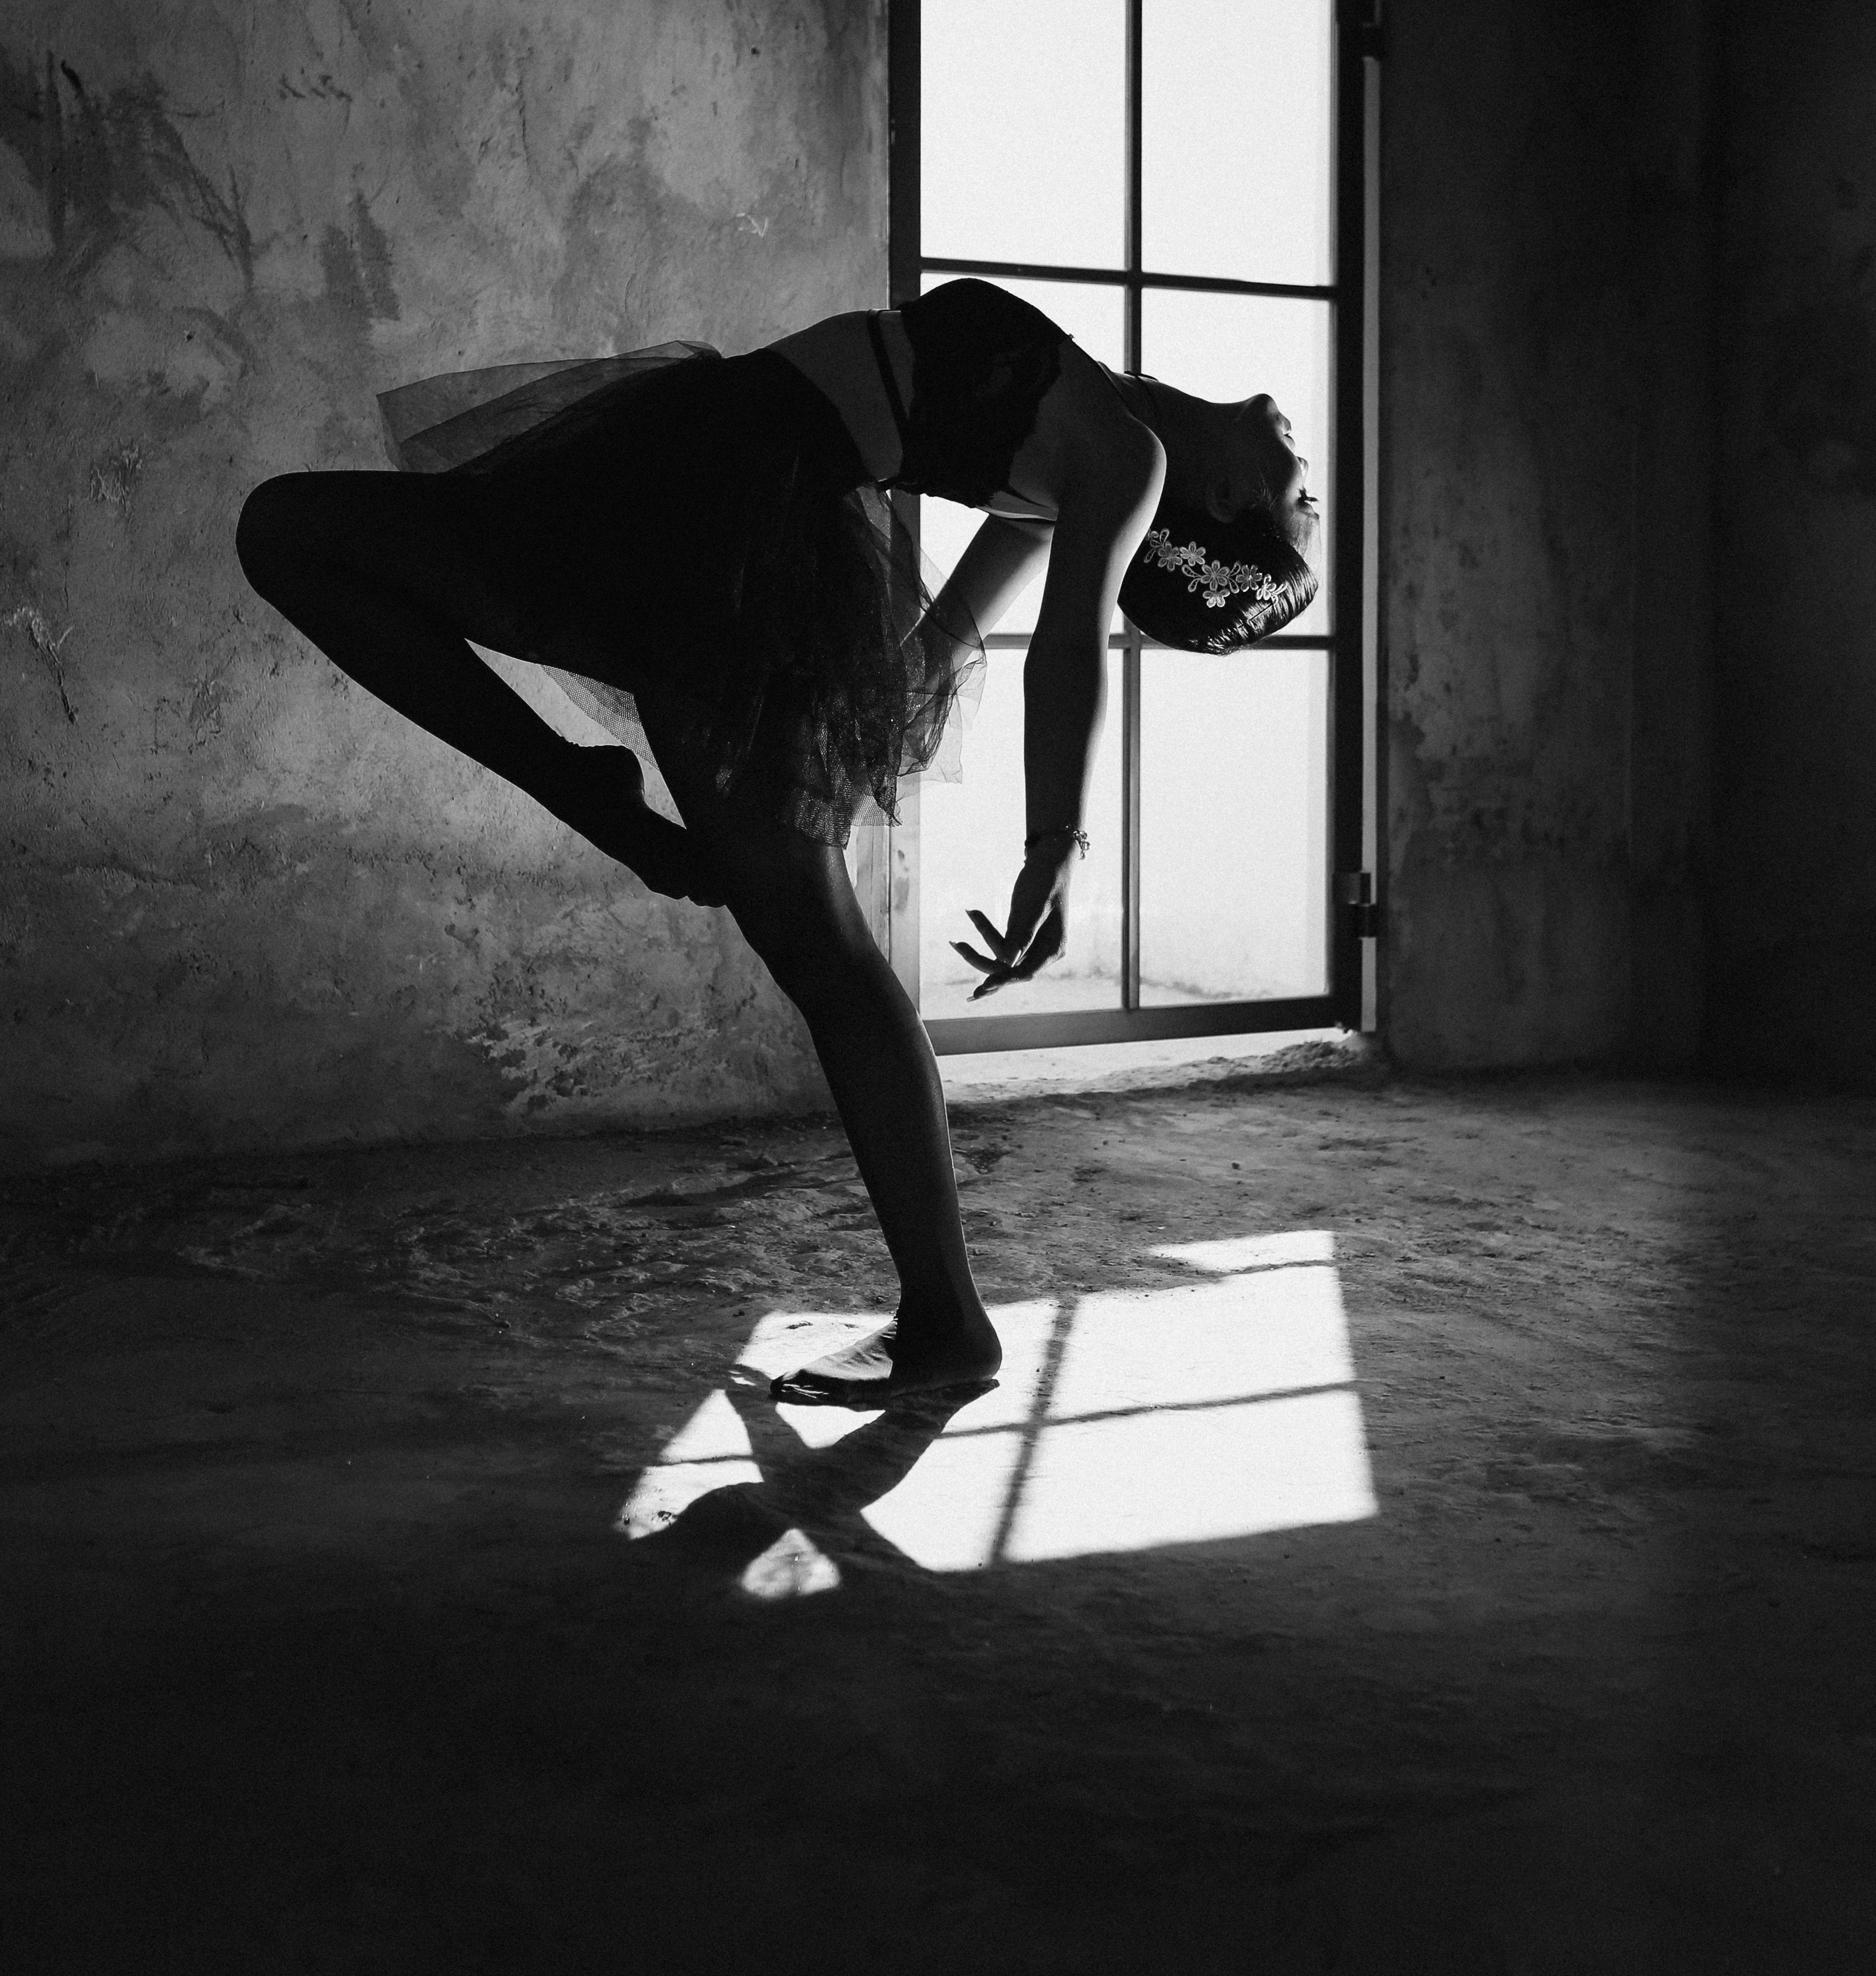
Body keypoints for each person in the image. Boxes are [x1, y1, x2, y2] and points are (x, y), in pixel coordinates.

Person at [234, 278, 1319, 1405]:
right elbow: (944, 637)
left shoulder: (1125, 461)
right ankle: (594, 795)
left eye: (1301, 504)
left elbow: (1065, 649)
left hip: (738, 541)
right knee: (291, 531)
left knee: (819, 949)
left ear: (1230, 493)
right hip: (669, 484)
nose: (1310, 482)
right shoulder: (1087, 431)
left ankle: (945, 1322)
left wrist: (1054, 839)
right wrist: (836, 733)